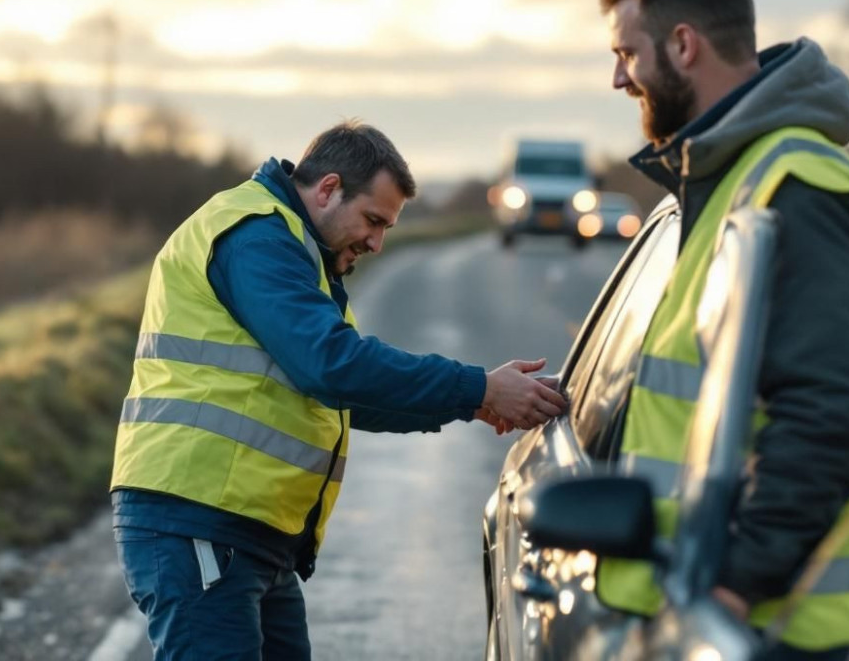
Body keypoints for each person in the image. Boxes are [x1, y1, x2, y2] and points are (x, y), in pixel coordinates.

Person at [110, 121, 566, 660]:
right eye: (373, 220)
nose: (376, 242)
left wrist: (479, 398)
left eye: (387, 228)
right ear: (327, 189)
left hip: (250, 533)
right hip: (199, 521)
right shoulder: (255, 236)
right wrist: (476, 387)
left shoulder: (299, 253)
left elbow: (338, 393)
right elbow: (332, 367)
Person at [593, 0, 849, 660]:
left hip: (755, 634)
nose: (618, 76)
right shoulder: (737, 179)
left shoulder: (797, 192)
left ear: (684, 46)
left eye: (627, 53)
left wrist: (732, 591)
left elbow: (833, 416)